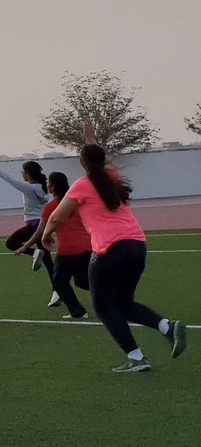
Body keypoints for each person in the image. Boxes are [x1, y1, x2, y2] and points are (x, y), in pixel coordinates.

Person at [43, 118, 187, 371]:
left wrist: (46, 235)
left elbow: (57, 216)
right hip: (137, 245)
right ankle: (167, 326)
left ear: (81, 163)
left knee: (102, 305)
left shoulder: (81, 185)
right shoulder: (111, 176)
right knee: (123, 304)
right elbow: (98, 158)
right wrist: (90, 138)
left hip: (110, 249)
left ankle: (136, 358)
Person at [0, 159, 58, 305]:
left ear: (28, 174)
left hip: (34, 225)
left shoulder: (29, 188)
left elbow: (9, 179)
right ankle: (57, 291)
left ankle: (34, 253)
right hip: (42, 225)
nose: (21, 174)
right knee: (48, 262)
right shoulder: (41, 187)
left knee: (11, 243)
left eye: (23, 172)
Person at [15, 171, 91, 320]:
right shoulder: (75, 202)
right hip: (86, 245)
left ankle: (78, 312)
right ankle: (115, 294)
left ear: (53, 186)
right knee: (82, 281)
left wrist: (26, 246)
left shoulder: (51, 207)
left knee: (59, 282)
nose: (47, 185)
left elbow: (40, 231)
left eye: (49, 182)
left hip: (68, 249)